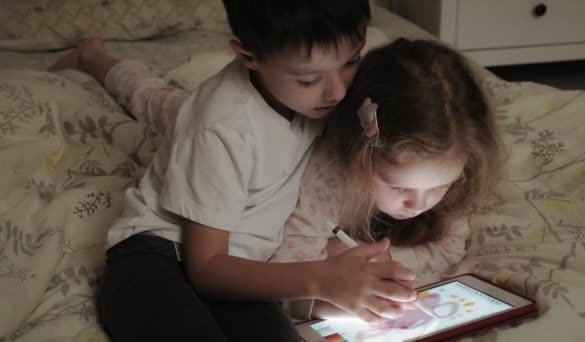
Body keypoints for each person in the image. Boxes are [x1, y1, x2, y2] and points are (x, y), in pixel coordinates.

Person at [49, 1, 419, 341]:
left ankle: (93, 57)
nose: (337, 92)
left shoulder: (322, 97)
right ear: (248, 55)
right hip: (155, 259)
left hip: (243, 270)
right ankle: (91, 57)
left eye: (351, 61)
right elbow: (207, 269)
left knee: (159, 103)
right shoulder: (222, 127)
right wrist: (319, 279)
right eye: (308, 79)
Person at [270, 37, 502, 321]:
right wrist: (334, 271)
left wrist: (392, 267)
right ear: (360, 154)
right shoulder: (324, 179)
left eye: (440, 186)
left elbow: (449, 247)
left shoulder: (458, 176)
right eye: (398, 186)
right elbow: (283, 280)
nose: (417, 203)